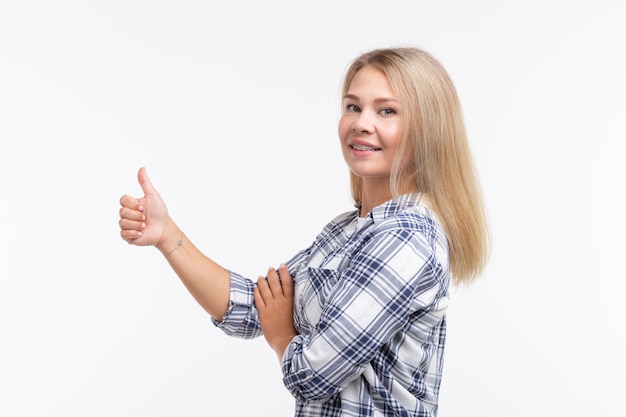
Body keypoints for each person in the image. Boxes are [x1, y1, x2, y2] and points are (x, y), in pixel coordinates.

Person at [118, 47, 489, 417]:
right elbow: (253, 308)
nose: (361, 122)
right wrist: (168, 236)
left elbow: (314, 373)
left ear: (427, 130)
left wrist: (281, 336)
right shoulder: (347, 230)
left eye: (386, 110)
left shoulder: (406, 237)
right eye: (353, 106)